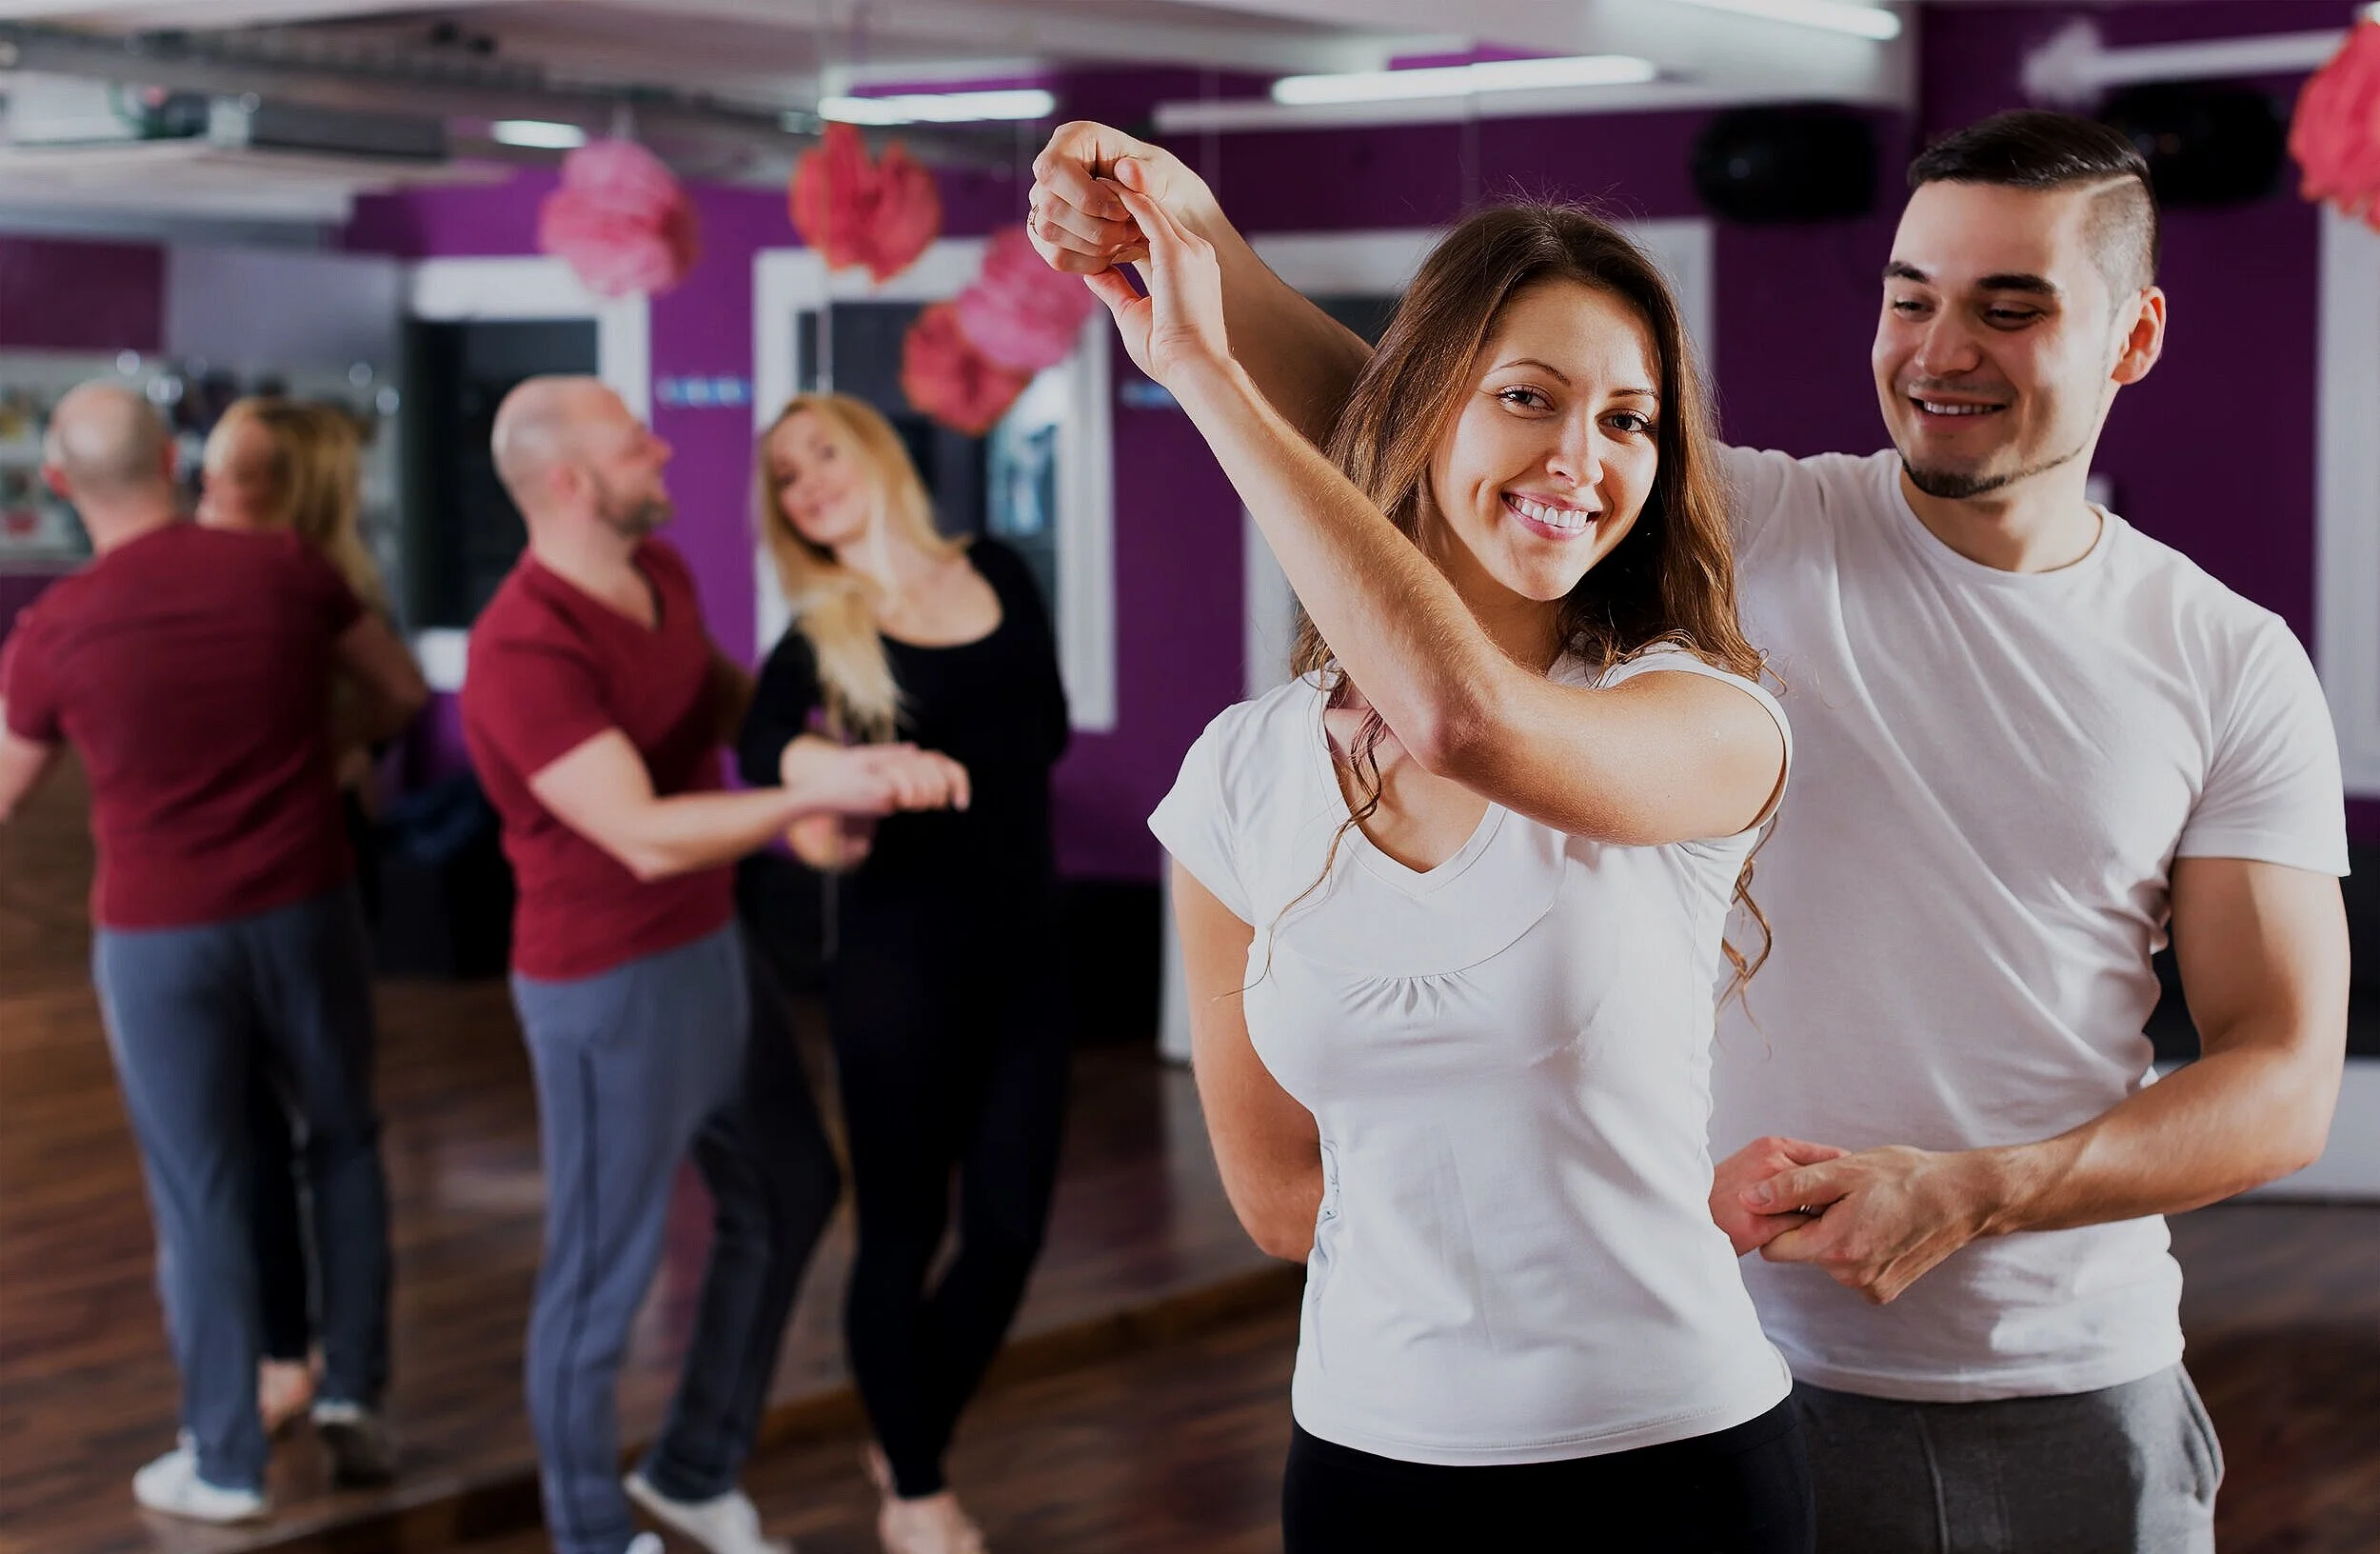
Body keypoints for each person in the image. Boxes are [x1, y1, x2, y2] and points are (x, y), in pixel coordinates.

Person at [1026, 110, 2350, 1553]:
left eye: (2009, 307)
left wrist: (1976, 1193)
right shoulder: (1760, 526)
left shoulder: (2227, 658)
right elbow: (1420, 430)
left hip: (2067, 1382)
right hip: (1736, 1350)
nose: (1940, 347)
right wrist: (1194, 243)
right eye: (1910, 297)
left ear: (2135, 336)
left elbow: (2282, 1081)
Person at [1104, 179, 1809, 1543]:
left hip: (1673, 1464)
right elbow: (1276, 1201)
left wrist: (1201, 369)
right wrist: (1180, 223)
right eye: (1528, 397)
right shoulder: (1241, 778)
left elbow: (1464, 719)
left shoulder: (1710, 719)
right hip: (1369, 1465)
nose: (1580, 457)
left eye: (1628, 421)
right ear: (1423, 405)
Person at [461, 376, 968, 1554]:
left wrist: (811, 779)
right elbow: (637, 830)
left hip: (706, 949)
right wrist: (814, 796)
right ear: (573, 482)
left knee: (791, 1190)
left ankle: (693, 1467)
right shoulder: (521, 646)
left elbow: (728, 712)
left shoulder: (661, 579)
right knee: (599, 1279)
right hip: (603, 986)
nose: (663, 450)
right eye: (636, 441)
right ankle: (591, 1537)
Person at [0, 381, 426, 1521]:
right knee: (340, 1142)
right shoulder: (284, 570)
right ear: (176, 459)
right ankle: (355, 1400)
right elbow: (398, 691)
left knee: (201, 1191)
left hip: (160, 938)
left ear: (58, 484)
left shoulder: (54, 630)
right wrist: (312, 750)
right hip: (305, 905)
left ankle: (228, 1462)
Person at [736, 393, 1072, 1554]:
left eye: (822, 451)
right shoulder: (827, 625)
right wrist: (845, 771)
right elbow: (762, 743)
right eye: (786, 475)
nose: (809, 481)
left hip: (1029, 960)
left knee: (1013, 1230)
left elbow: (1049, 732)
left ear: (875, 451)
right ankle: (916, 1487)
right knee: (900, 1232)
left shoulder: (1001, 569)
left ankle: (903, 1412)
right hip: (898, 974)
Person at [198, 396, 397, 1439]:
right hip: (256, 888)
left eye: (233, 468)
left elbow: (389, 708)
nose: (207, 486)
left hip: (300, 882)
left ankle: (321, 1371)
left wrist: (314, 761)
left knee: (304, 1131)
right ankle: (330, 1375)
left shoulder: (320, 589)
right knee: (298, 1131)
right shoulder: (296, 583)